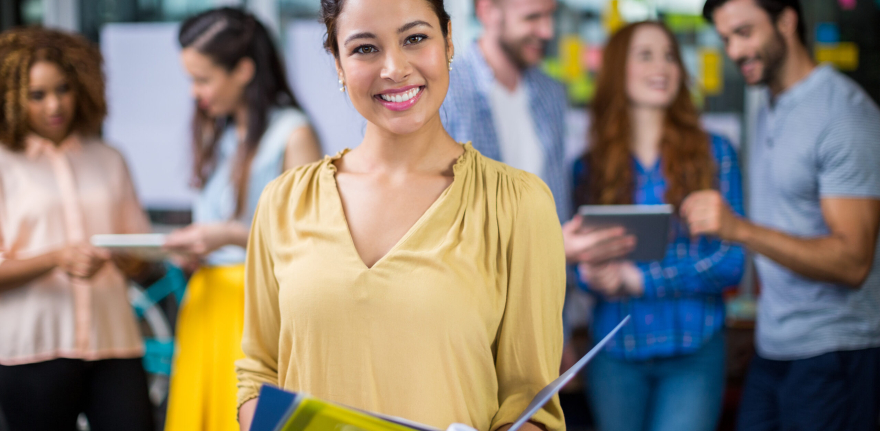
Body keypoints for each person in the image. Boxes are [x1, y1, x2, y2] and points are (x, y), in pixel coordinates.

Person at [234, 0, 566, 430]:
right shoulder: (284, 201)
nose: (394, 68)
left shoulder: (518, 205)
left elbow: (530, 403)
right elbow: (259, 374)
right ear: (338, 62)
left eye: (414, 38)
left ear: (448, 41)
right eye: (365, 49)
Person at [697, 0, 880, 429]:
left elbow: (853, 262)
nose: (735, 51)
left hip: (835, 351)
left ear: (786, 20)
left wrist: (738, 229)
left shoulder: (843, 114)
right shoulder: (770, 106)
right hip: (776, 347)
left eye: (745, 32)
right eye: (725, 39)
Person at [571, 21, 746, 431]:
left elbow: (730, 262)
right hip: (615, 353)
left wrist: (639, 280)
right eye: (646, 55)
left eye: (669, 55)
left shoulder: (716, 153)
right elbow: (572, 260)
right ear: (617, 69)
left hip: (695, 350)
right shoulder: (587, 168)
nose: (662, 66)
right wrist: (590, 273)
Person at [162, 8, 321, 431]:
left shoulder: (293, 134)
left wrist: (226, 236)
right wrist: (196, 249)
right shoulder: (222, 130)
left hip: (254, 309)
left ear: (245, 70)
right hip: (206, 303)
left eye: (203, 79)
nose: (196, 93)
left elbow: (307, 241)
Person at [0, 27, 154, 431]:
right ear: (11, 98)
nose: (55, 105)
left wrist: (140, 255)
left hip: (114, 342)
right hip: (31, 350)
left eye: (63, 89)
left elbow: (137, 256)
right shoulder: (3, 164)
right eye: (37, 95)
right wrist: (56, 258)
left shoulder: (109, 158)